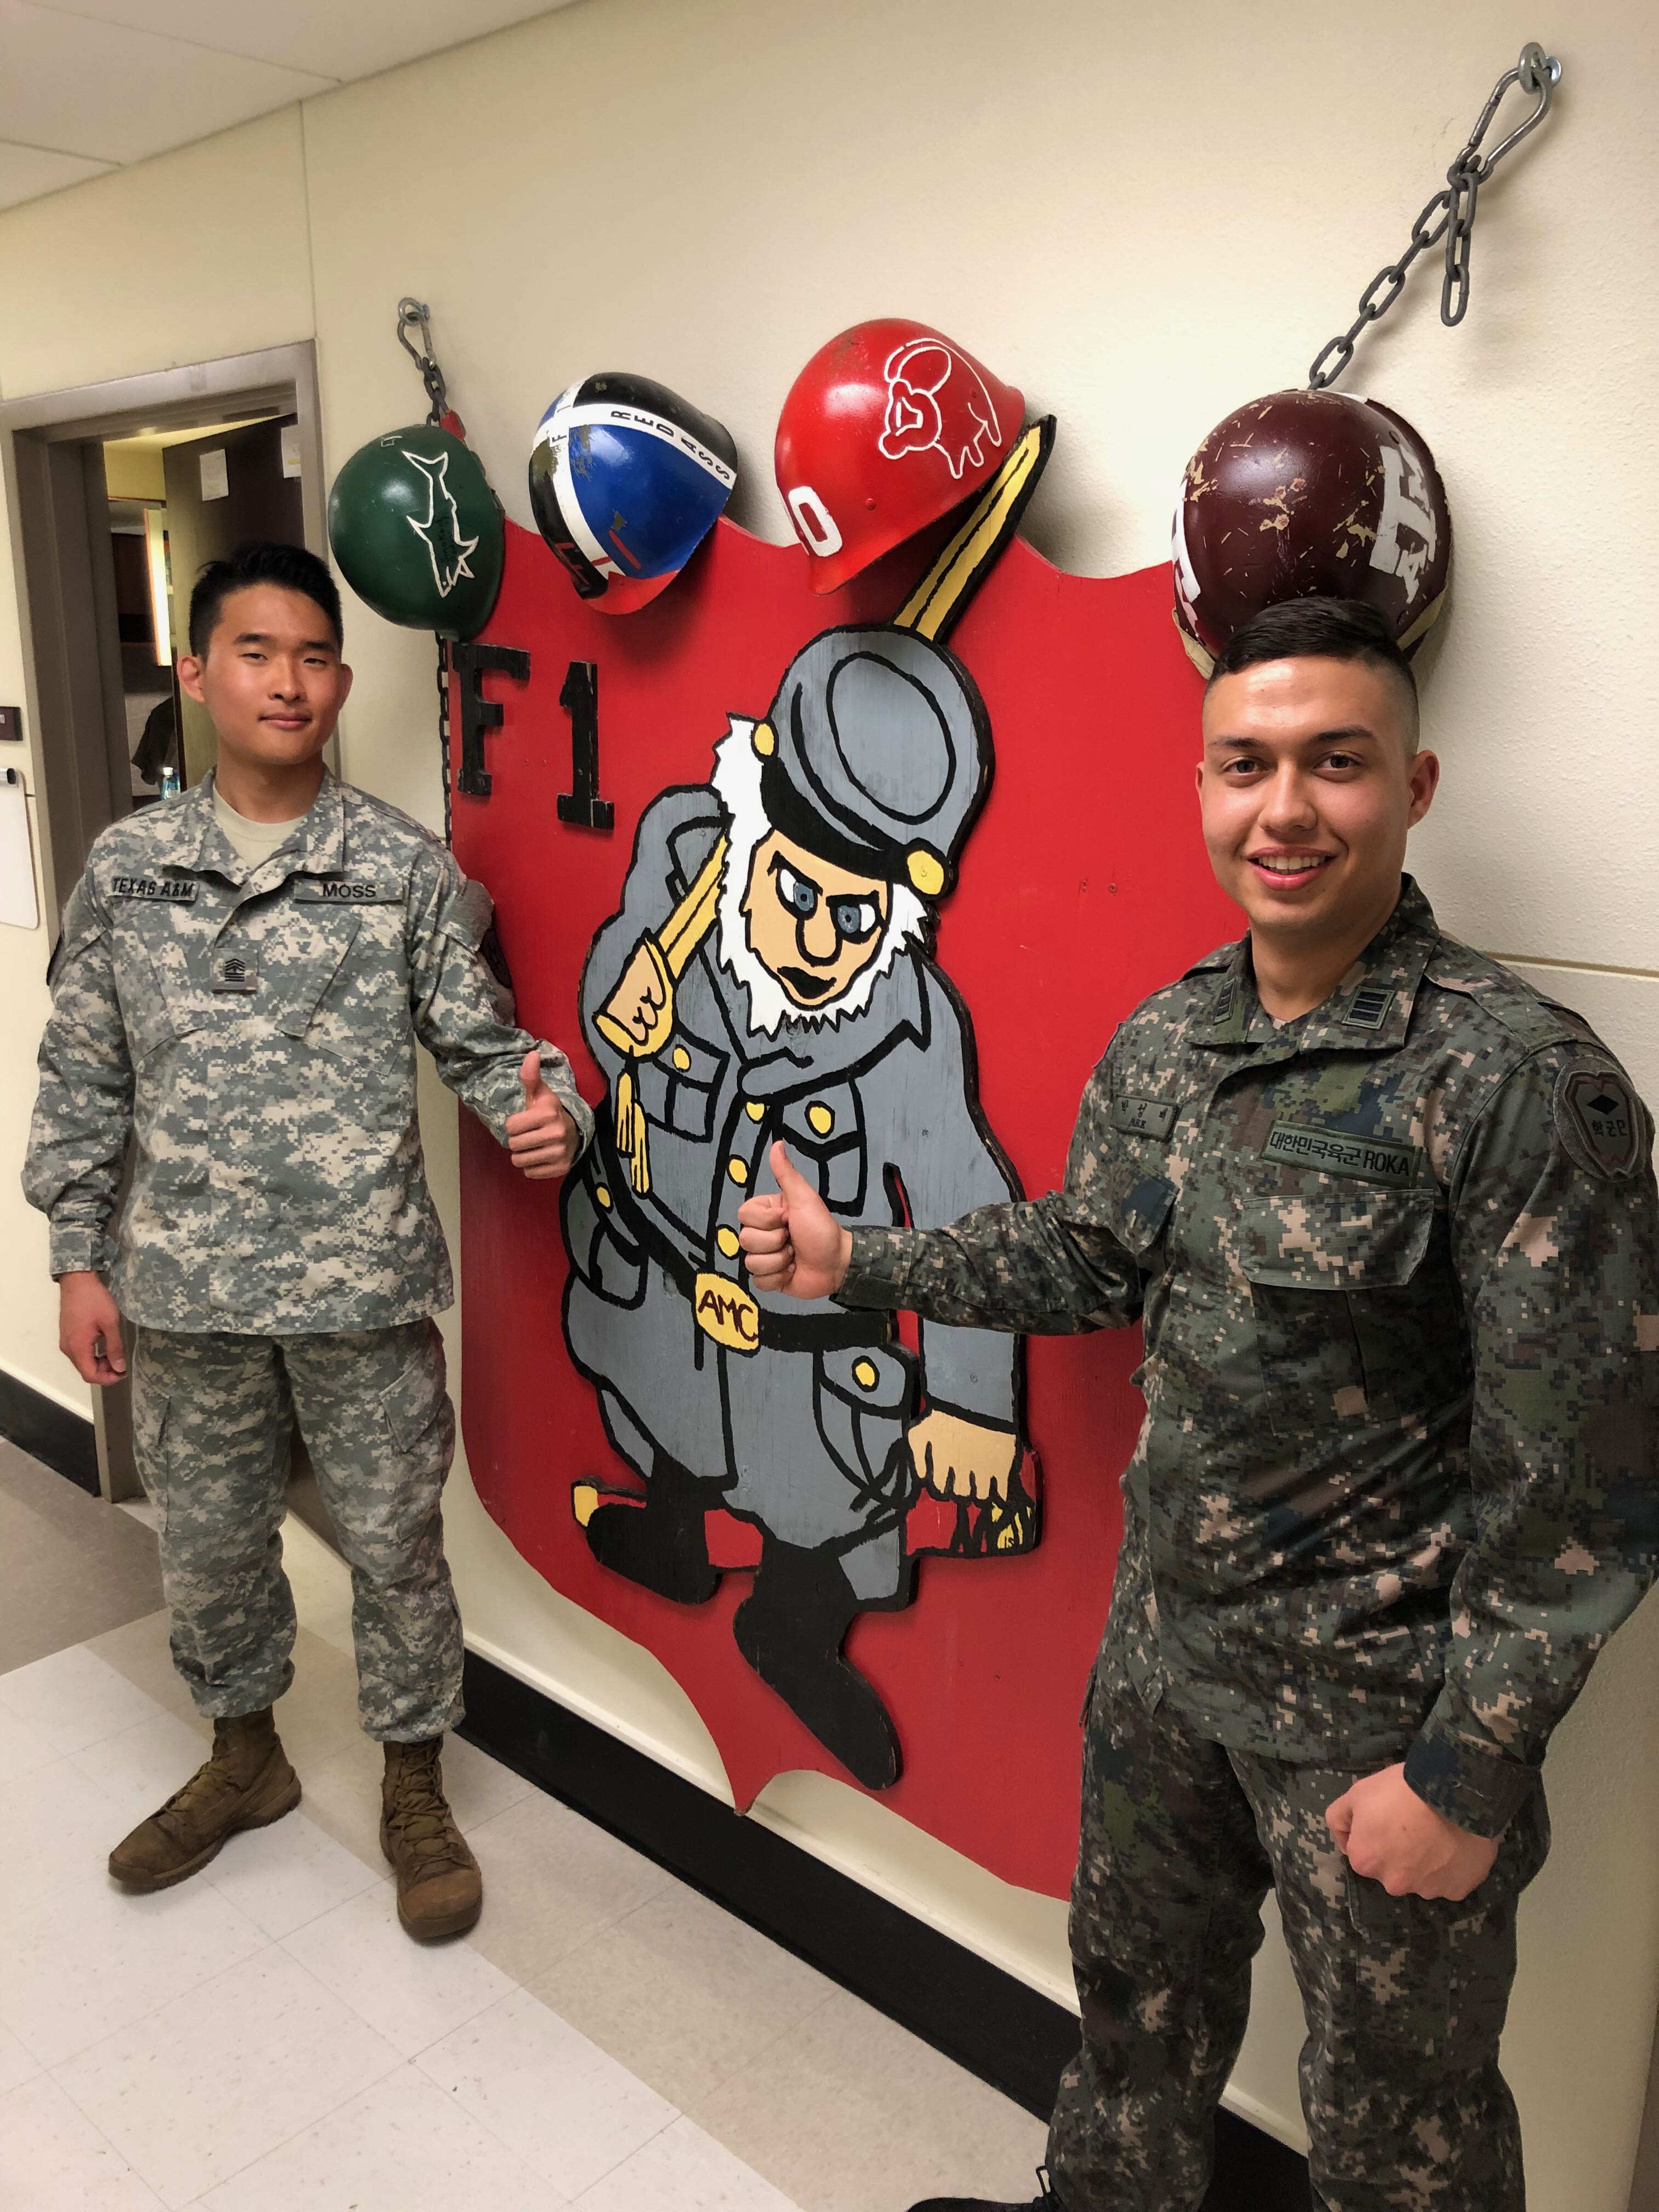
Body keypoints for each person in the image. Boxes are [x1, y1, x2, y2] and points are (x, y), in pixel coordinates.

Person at [738, 596, 1659, 2211]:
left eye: (1335, 762)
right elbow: (1088, 1255)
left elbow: (1586, 1479)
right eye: (1246, 765)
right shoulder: (1172, 1039)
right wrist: (853, 1260)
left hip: (1374, 1721)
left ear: (1415, 786)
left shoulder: (1510, 1078)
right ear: (1204, 787)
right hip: (1165, 1672)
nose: (1284, 809)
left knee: (1403, 2133)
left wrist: (1468, 1771)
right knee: (1131, 2032)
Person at [23, 539, 591, 1942]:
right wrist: (79, 1259)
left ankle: (413, 1784)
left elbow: (488, 1044)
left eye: (316, 656)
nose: (290, 682)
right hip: (185, 1291)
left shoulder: (396, 866)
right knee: (210, 1549)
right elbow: (84, 1073)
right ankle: (246, 1759)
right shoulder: (131, 870)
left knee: (396, 1549)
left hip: (360, 1288)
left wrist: (552, 1113)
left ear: (340, 682)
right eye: (258, 653)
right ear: (198, 672)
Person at [567, 625, 1026, 1791]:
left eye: (857, 917)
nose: (821, 941)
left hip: (805, 1360)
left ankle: (791, 1633)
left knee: (813, 1513)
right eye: (797, 895)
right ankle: (671, 1544)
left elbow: (969, 1205)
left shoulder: (910, 1027)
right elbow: (612, 1015)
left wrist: (973, 1405)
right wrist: (618, 998)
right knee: (668, 1430)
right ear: (754, 843)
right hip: (664, 1298)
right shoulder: (684, 866)